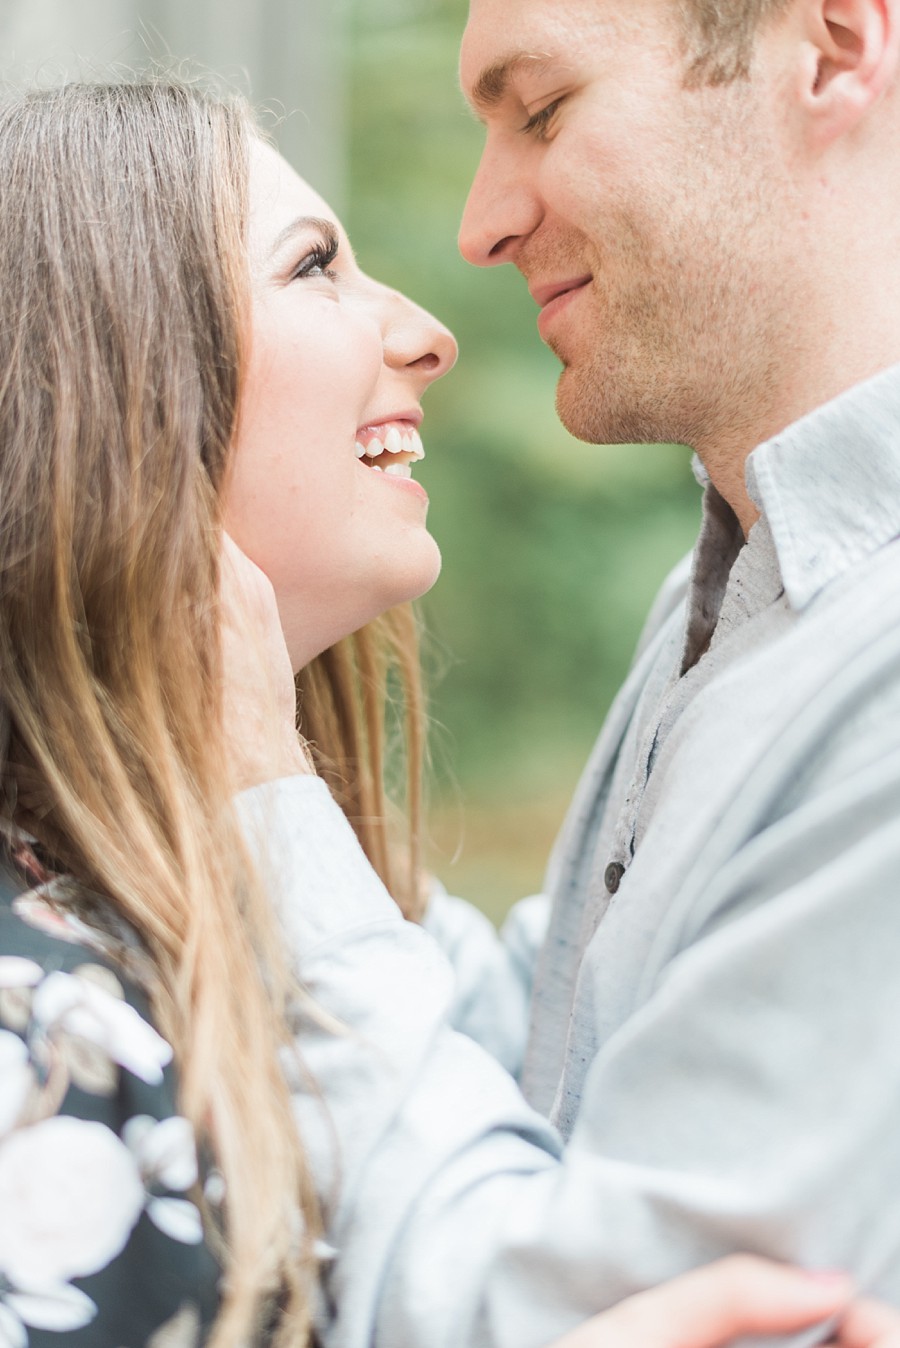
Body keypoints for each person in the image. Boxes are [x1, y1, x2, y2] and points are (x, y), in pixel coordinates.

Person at [2, 73, 882, 1348]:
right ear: (114, 390)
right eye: (314, 267)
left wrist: (269, 807)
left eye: (546, 108)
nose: (428, 326)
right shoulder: (46, 1034)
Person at [224, 0, 900, 1345]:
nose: (479, 225)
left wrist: (259, 796)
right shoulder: (736, 593)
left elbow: (548, 1318)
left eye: (541, 110)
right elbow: (551, 1056)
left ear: (829, 46)